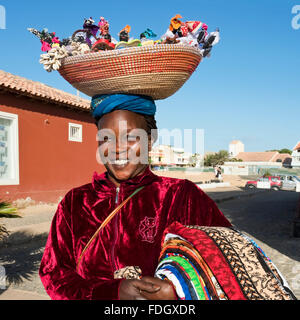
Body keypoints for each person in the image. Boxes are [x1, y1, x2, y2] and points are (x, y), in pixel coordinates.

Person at [39, 94, 231, 300]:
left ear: (149, 141)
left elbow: (228, 267)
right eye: (105, 138)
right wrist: (110, 293)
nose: (117, 149)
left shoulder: (182, 196)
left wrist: (178, 294)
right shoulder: (75, 202)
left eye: (130, 137)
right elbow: (54, 272)